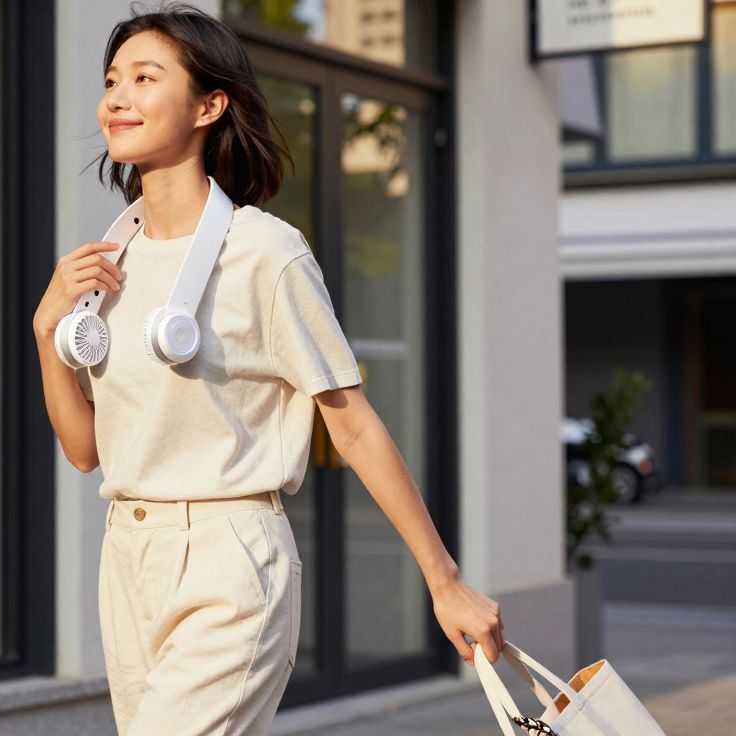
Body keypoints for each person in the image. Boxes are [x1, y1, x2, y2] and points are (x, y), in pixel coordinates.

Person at [32, 3, 505, 734]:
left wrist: (446, 583)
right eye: (111, 80)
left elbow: (352, 427)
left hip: (230, 560)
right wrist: (44, 330)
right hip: (127, 554)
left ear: (209, 105)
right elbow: (86, 450)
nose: (116, 98)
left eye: (144, 77)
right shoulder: (108, 261)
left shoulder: (266, 253)